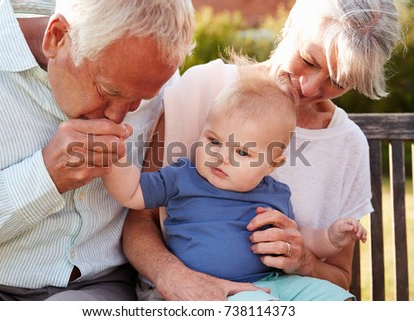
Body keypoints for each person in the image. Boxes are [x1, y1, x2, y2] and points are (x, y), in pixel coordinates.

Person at [122, 0, 403, 300]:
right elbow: (140, 218)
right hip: (181, 296)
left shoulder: (347, 145)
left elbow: (339, 278)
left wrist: (304, 261)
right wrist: (175, 276)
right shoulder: (203, 89)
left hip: (282, 295)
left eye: (338, 81)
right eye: (308, 60)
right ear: (292, 23)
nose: (308, 87)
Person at [0, 0, 194, 301]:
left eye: (139, 101)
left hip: (104, 289)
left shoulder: (156, 76)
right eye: (109, 91)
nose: (118, 117)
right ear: (57, 37)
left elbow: (159, 209)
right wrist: (47, 175)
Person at [105, 61, 367, 300]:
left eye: (242, 152)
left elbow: (303, 238)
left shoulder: (275, 193)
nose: (221, 156)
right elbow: (132, 194)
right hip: (213, 289)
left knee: (334, 298)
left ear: (272, 164)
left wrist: (332, 237)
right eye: (214, 141)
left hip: (275, 282)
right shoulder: (182, 176)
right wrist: (113, 158)